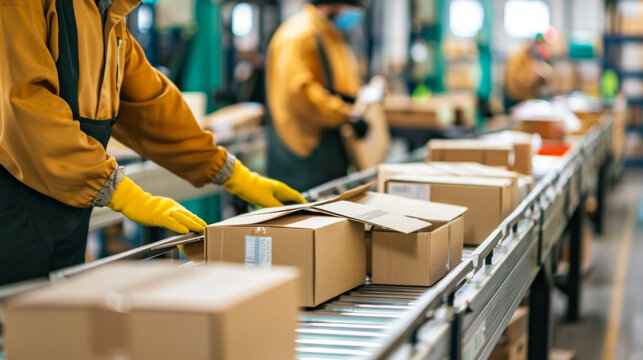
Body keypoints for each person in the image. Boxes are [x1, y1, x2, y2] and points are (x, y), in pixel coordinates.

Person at [0, 0, 305, 286]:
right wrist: (116, 188)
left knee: (48, 324)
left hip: (65, 210)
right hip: (13, 208)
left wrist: (230, 172)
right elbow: (23, 108)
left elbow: (150, 105)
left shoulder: (104, 16)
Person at [265, 0, 369, 192]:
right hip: (304, 148)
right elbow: (301, 94)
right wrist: (347, 114)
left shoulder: (329, 33)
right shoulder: (298, 35)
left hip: (328, 140)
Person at [503, 34, 552, 111]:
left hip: (524, 99)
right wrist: (533, 77)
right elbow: (516, 81)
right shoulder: (518, 58)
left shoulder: (532, 59)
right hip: (514, 99)